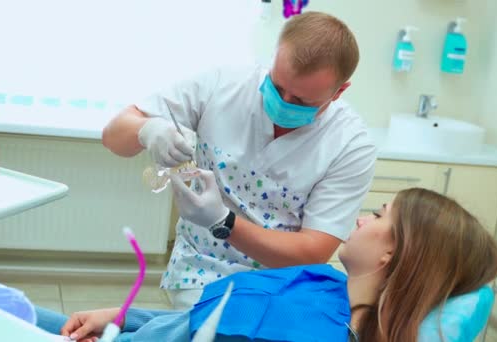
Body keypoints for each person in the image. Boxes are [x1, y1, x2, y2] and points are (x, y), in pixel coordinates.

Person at [101, 11, 376, 309]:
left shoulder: (350, 144)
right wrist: (147, 129)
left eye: (300, 101)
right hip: (199, 271)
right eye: (277, 85)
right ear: (273, 58)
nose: (282, 102)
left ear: (339, 92)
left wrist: (224, 222)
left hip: (281, 286)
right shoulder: (223, 84)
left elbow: (312, 252)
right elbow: (114, 136)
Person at [35, 188, 497, 342]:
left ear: (391, 253)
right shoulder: (325, 282)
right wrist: (119, 316)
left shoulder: (312, 332)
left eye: (380, 216)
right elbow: (197, 324)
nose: (362, 217)